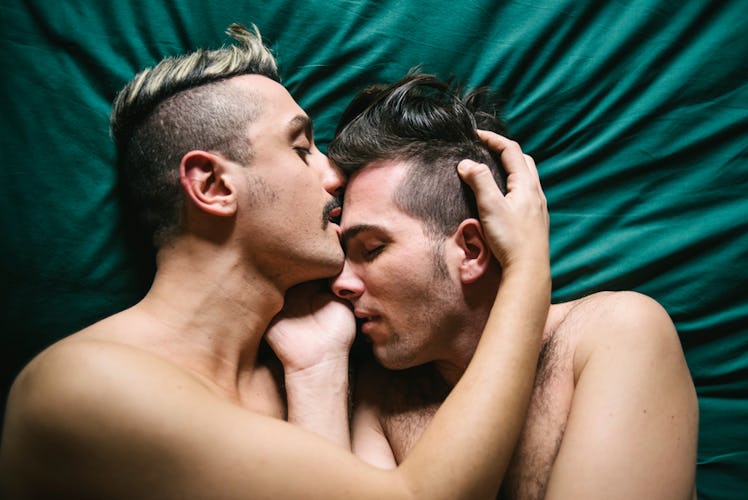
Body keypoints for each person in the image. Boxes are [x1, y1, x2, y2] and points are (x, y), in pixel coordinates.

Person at [0, 24, 552, 499]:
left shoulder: (296, 373)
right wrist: (525, 266)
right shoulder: (86, 383)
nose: (333, 175)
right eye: (301, 148)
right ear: (213, 186)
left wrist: (317, 368)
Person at [327, 72, 699, 499]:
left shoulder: (616, 332)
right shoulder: (381, 394)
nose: (342, 282)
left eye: (372, 249)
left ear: (471, 249)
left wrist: (527, 263)